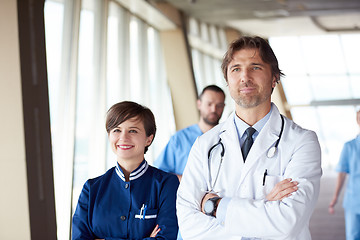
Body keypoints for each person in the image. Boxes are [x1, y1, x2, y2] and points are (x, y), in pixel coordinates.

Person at [176, 36, 322, 239]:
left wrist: (214, 206)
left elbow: (287, 221)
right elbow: (188, 224)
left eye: (255, 67)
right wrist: (265, 208)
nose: (245, 76)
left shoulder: (302, 142)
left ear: (274, 78)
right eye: (236, 69)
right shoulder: (205, 144)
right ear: (227, 80)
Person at [72, 101, 179, 240]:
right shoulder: (91, 189)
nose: (123, 138)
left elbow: (166, 238)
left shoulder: (166, 184)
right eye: (117, 130)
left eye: (133, 131)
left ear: (149, 139)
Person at [154, 85, 226, 181]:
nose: (214, 109)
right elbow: (160, 173)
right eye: (209, 104)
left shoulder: (229, 137)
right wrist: (187, 182)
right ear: (199, 104)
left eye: (219, 105)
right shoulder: (179, 139)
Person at [328, 110, 360, 240]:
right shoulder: (349, 146)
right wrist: (335, 197)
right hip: (354, 200)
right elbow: (341, 174)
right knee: (353, 236)